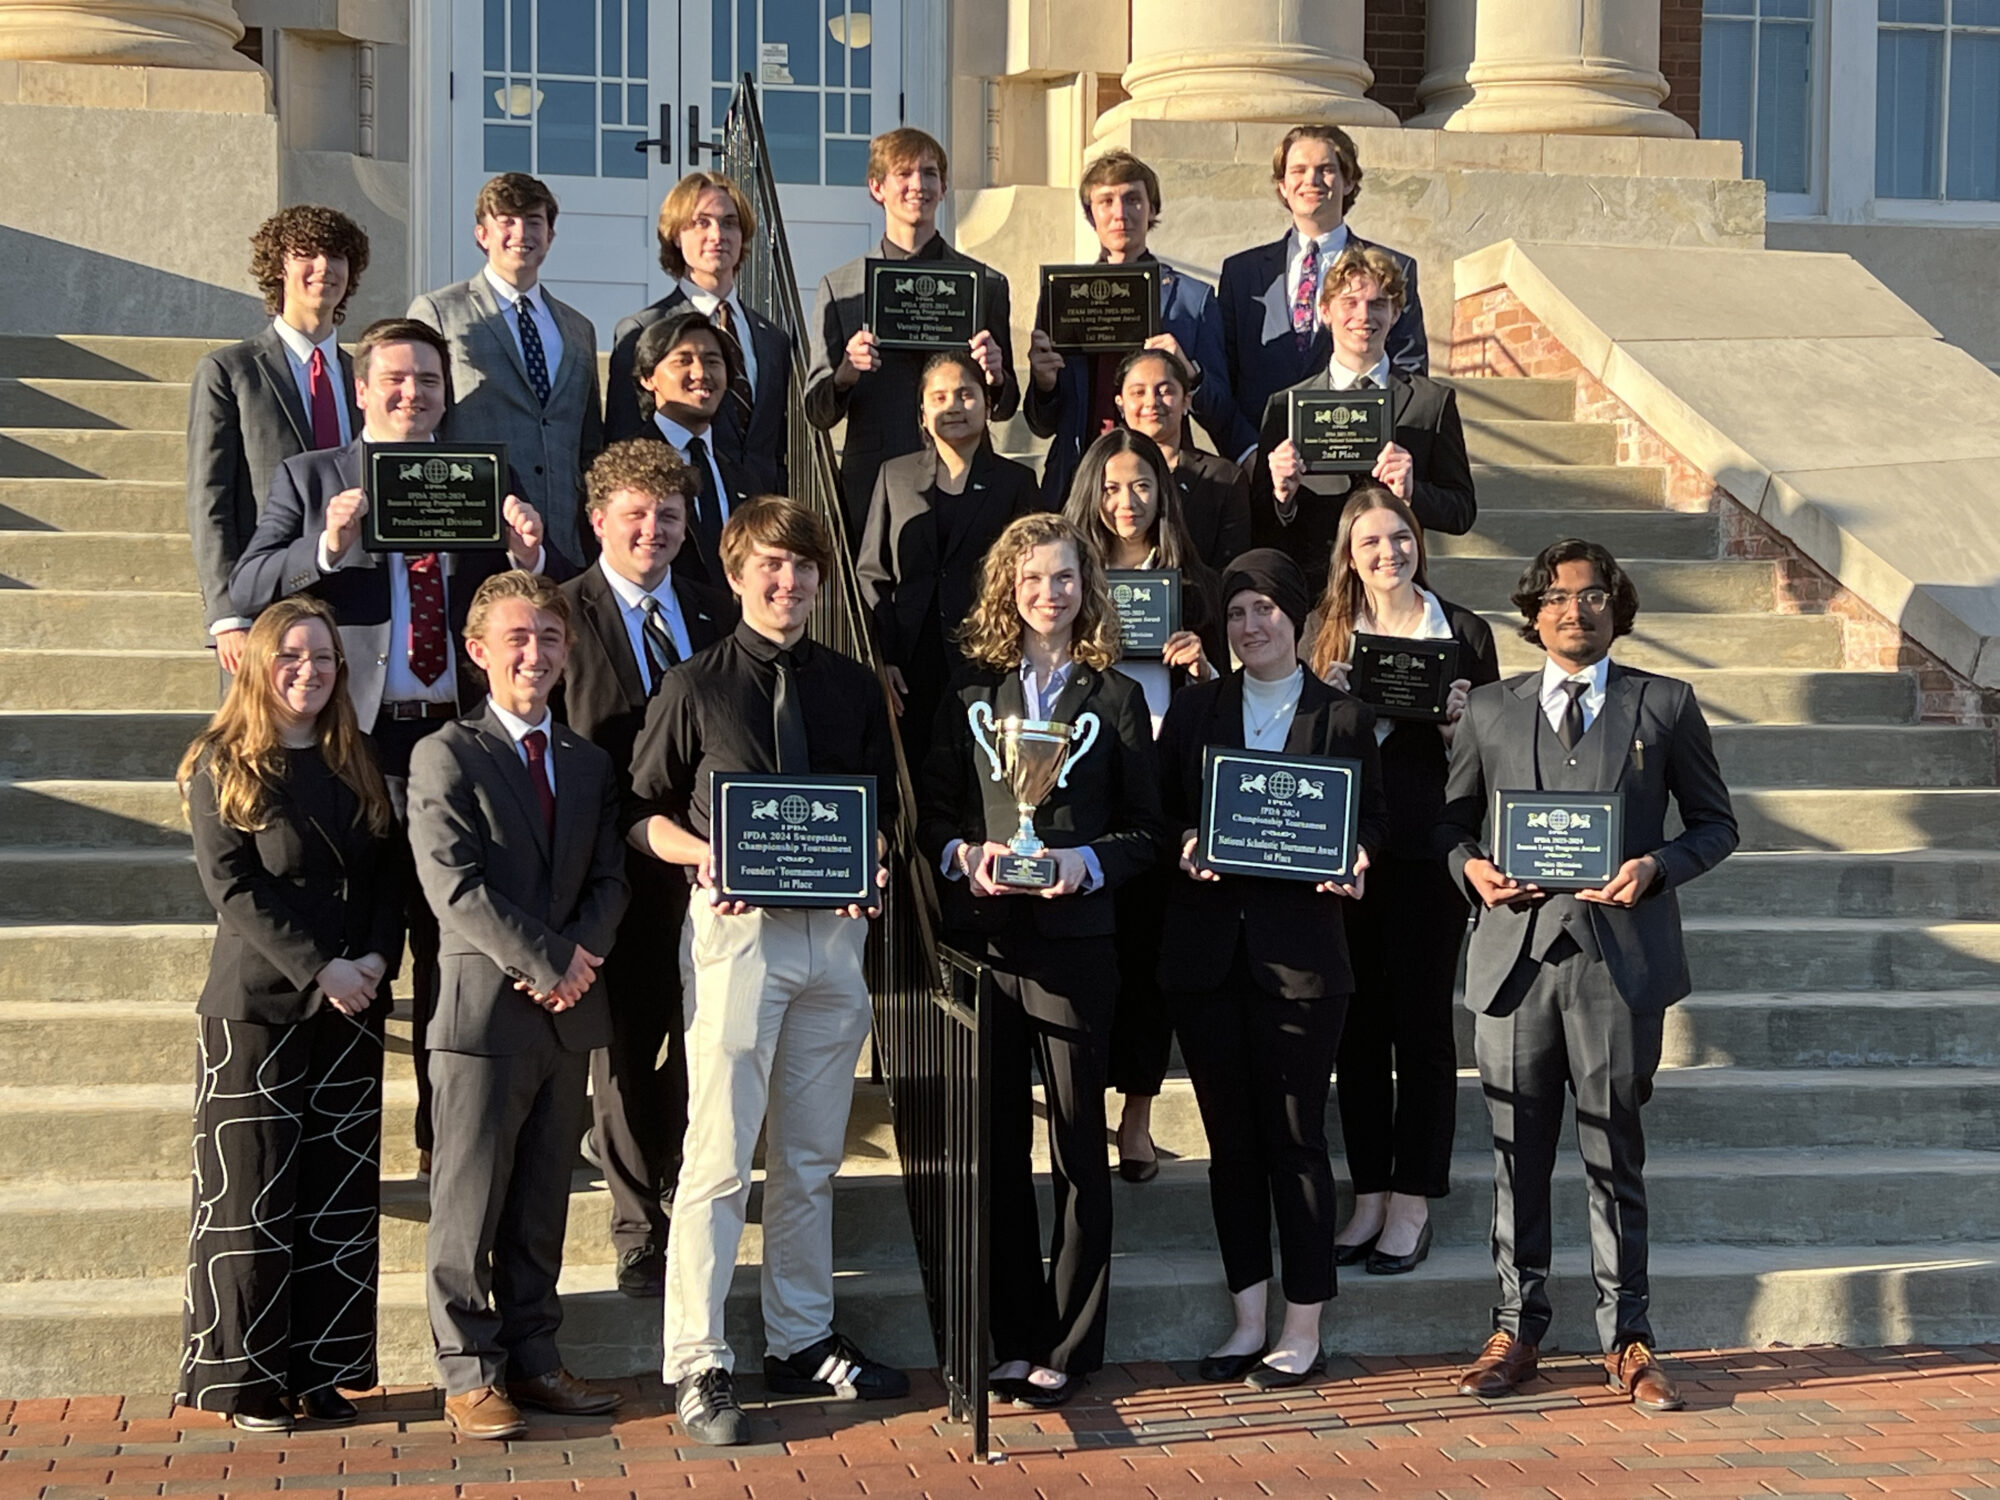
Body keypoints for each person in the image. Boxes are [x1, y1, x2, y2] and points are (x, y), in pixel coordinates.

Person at [230, 317, 565, 1167]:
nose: (412, 394)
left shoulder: (482, 476)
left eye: (427, 381)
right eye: (396, 379)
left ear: (445, 394)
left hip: (456, 743)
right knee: (360, 939)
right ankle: (349, 1138)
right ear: (362, 389)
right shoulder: (312, 478)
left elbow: (535, 595)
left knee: (451, 946)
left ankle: (442, 1139)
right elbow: (249, 582)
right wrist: (329, 543)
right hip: (358, 746)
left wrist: (531, 552)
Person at [626, 499, 907, 1447]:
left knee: (811, 1155)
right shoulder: (695, 683)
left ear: (823, 581)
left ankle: (800, 1336)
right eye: (769, 570)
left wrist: (874, 863)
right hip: (736, 940)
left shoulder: (854, 688)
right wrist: (697, 855)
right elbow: (642, 811)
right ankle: (699, 1359)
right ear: (738, 576)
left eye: (802, 570)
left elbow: (882, 815)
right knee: (717, 1154)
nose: (787, 586)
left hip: (834, 942)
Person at [1438, 539, 1738, 1410]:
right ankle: (1516, 1326)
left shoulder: (1665, 705)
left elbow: (1716, 825)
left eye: (1595, 594)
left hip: (1618, 963)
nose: (1578, 609)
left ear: (1617, 606)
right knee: (1515, 1157)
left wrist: (1657, 867)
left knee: (1615, 1150)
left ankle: (1629, 1337)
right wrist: (1471, 868)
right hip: (1516, 965)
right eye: (1560, 597)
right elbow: (1449, 821)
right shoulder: (1492, 710)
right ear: (1533, 613)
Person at [917, 513, 1167, 1409]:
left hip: (1075, 950)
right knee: (992, 1150)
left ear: (1086, 588)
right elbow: (936, 814)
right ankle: (1011, 1333)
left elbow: (1147, 829)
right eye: (1032, 579)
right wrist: (967, 858)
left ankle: (1070, 1339)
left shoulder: (1117, 698)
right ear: (1006, 587)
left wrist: (1082, 862)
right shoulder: (968, 692)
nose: (1048, 594)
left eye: (1064, 578)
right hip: (988, 947)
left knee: (1074, 1149)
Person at [1156, 549, 1387, 1389]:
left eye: (1265, 610)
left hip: (1303, 963)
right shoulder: (1194, 712)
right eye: (1237, 613)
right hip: (1208, 957)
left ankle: (1302, 1326)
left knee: (1295, 1142)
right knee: (1231, 1147)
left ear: (1295, 617)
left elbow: (1377, 826)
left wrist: (1354, 857)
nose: (1250, 627)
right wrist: (1185, 841)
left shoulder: (1343, 717)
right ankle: (1246, 1317)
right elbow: (1162, 814)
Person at [408, 570, 630, 1438]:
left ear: (568, 652)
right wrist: (546, 962)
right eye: (516, 639)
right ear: (476, 653)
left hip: (567, 1013)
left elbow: (612, 875)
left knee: (541, 1202)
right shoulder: (446, 754)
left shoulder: (588, 761)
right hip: (484, 1016)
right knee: (468, 1203)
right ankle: (470, 1373)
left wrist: (579, 963)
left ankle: (537, 1360)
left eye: (548, 639)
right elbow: (452, 886)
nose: (534, 655)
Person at [175, 595, 402, 1432]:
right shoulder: (223, 758)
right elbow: (234, 887)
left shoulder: (356, 757)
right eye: (292, 657)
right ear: (259, 663)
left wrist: (376, 959)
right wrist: (323, 968)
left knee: (335, 1198)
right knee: (254, 1200)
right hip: (260, 1013)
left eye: (325, 658)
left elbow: (388, 872)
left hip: (352, 1005)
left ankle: (323, 1371)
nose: (310, 672)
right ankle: (245, 1382)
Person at [1304, 486, 1499, 1276]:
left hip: (1428, 844)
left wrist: (1462, 722)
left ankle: (1415, 1195)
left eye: (1400, 538)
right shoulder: (1327, 631)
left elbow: (1497, 752)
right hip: (1348, 848)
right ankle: (1370, 1190)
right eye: (1371, 543)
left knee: (1419, 1025)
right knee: (1356, 1027)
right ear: (1349, 555)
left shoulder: (1466, 631)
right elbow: (1302, 740)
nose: (1388, 554)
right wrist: (1337, 704)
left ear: (1418, 540)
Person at [555, 440, 734, 1298]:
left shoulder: (712, 610)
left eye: (669, 515)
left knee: (700, 1047)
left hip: (707, 870)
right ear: (598, 521)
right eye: (636, 514)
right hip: (607, 870)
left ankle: (676, 1180)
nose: (653, 531)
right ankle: (636, 1228)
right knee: (625, 1052)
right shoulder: (562, 613)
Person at [1059, 427, 1219, 1182]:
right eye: (1114, 487)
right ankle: (1082, 1102)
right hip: (1088, 783)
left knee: (1153, 958)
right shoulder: (1069, 578)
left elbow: (1231, 700)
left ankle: (1140, 1113)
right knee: (1096, 956)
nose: (1128, 503)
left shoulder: (1195, 584)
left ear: (1164, 493)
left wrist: (1202, 665)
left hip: (1166, 788)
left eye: (1143, 486)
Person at [804, 127, 1020, 542]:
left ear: (943, 188)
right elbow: (818, 411)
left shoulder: (986, 284)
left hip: (967, 474)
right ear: (876, 188)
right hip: (874, 479)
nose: (918, 185)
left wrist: (996, 375)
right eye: (903, 174)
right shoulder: (842, 288)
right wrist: (848, 372)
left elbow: (1007, 406)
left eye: (930, 173)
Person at [187, 206, 369, 676]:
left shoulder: (365, 379)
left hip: (357, 604)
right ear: (278, 267)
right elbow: (211, 499)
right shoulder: (230, 372)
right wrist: (227, 614)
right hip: (266, 601)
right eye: (306, 254)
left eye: (337, 255)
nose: (324, 267)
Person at [1024, 149, 1253, 506]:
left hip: (1164, 479)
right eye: (1106, 201)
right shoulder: (1061, 296)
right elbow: (1042, 424)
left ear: (1152, 209)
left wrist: (1189, 372)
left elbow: (1220, 411)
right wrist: (1044, 384)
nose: (1120, 213)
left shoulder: (1192, 300)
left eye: (1133, 199)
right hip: (1081, 476)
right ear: (1091, 214)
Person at [856, 350, 1043, 771]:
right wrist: (882, 657)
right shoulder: (894, 476)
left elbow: (1033, 570)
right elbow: (872, 572)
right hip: (909, 661)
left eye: (965, 394)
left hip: (987, 655)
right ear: (922, 413)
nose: (954, 406)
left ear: (988, 404)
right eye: (939, 398)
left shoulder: (1017, 482)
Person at [409, 172, 603, 566]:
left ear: (550, 235)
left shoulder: (579, 328)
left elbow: (589, 443)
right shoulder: (438, 313)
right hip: (475, 535)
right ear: (482, 234)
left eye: (534, 221)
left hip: (562, 543)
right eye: (507, 221)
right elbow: (417, 424)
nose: (521, 233)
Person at [1255, 246, 1474, 582]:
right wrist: (1282, 497)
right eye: (1350, 303)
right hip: (1317, 592)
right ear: (1325, 311)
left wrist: (1413, 491)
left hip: (1397, 585)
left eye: (1378, 304)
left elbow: (1461, 512)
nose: (1364, 316)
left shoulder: (1431, 402)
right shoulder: (1286, 406)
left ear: (1396, 313)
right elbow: (1260, 524)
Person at [1220, 124, 1426, 458]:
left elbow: (1409, 370)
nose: (1311, 180)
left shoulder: (1395, 268)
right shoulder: (1241, 274)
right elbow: (1225, 377)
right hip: (1265, 470)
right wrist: (1248, 453)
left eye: (1326, 169)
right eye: (1298, 170)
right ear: (1283, 186)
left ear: (1349, 181)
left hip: (1359, 462)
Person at [605, 172, 791, 495]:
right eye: (701, 222)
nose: (717, 234)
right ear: (677, 235)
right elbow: (624, 447)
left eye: (729, 223)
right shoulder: (643, 330)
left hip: (757, 524)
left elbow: (773, 448)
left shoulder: (772, 339)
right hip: (684, 516)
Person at [625, 310, 754, 588]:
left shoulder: (743, 477)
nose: (700, 373)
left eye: (712, 361)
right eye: (683, 361)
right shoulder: (624, 467)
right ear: (649, 377)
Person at [1113, 347, 1252, 572]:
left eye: (1165, 391)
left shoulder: (1224, 479)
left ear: (1186, 400)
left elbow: (1233, 569)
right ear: (1120, 404)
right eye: (1138, 393)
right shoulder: (1099, 472)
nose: (1152, 402)